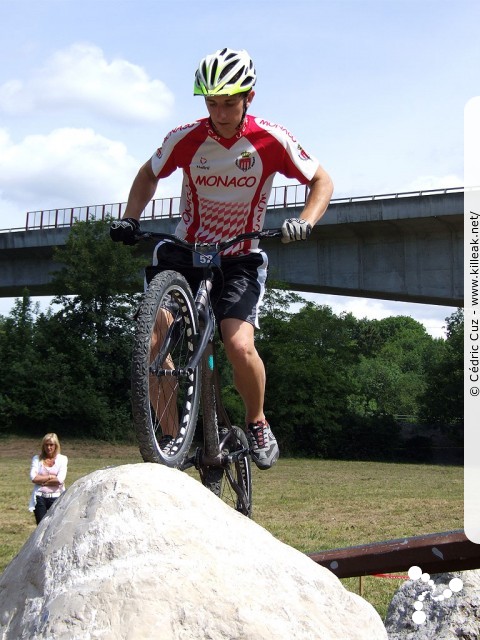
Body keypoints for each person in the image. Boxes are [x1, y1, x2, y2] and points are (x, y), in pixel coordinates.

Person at [110, 48, 333, 470]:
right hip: (186, 249)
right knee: (155, 334)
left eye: (229, 102)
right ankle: (169, 442)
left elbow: (321, 180)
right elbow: (148, 173)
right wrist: (130, 219)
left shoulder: (271, 138)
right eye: (212, 103)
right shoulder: (186, 137)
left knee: (237, 344)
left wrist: (305, 220)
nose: (220, 112)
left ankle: (257, 421)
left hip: (239, 257)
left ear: (249, 96)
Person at [29, 433, 68, 524]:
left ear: (56, 445)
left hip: (56, 497)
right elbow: (33, 478)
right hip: (39, 497)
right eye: (46, 445)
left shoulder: (63, 459)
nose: (49, 447)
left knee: (54, 525)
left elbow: (60, 480)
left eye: (51, 445)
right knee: (41, 526)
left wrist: (42, 481)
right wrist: (51, 477)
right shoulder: (37, 459)